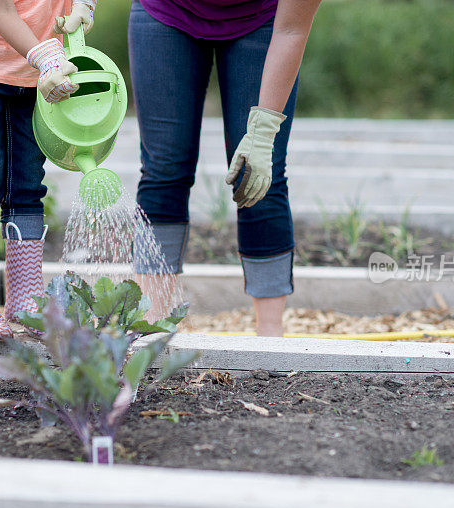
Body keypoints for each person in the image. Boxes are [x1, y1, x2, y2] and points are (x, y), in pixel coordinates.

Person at [128, 0, 322, 336]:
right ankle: (153, 326)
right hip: (166, 11)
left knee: (261, 177)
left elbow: (292, 29)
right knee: (164, 170)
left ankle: (270, 339)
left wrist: (263, 132)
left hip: (262, 18)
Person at [0, 0, 97, 341]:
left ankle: (25, 301)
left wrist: (85, 3)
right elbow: (3, 12)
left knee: (26, 183)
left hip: (37, 77)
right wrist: (48, 59)